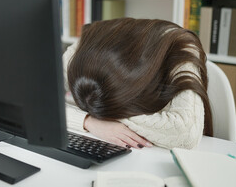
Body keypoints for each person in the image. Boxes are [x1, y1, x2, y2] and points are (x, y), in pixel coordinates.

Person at [63, 18, 213, 150]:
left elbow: (186, 134)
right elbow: (41, 102)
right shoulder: (81, 48)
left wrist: (106, 116)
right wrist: (89, 122)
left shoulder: (182, 46)